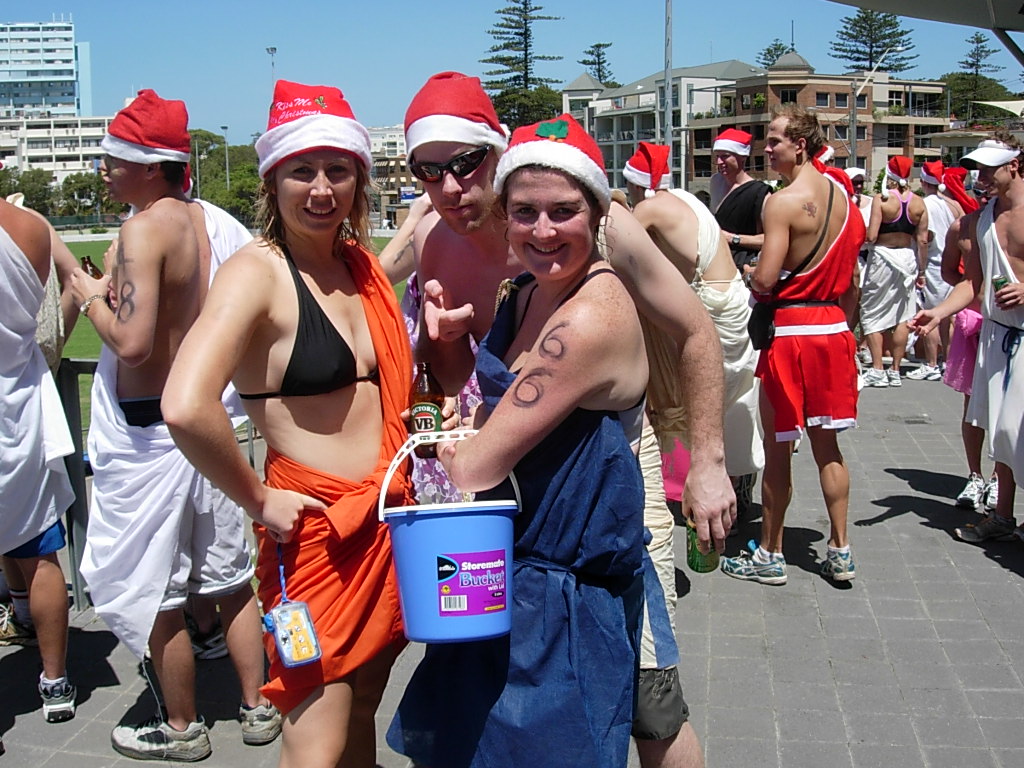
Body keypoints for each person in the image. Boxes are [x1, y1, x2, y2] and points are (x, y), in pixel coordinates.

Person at [388, 71, 735, 768]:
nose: (450, 186)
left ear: (494, 153)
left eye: (465, 163)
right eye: (428, 171)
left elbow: (696, 330)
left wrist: (707, 461)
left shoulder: (599, 234)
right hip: (514, 501)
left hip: (601, 486)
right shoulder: (444, 246)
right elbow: (469, 386)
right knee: (501, 700)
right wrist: (442, 344)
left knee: (649, 700)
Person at [163, 80, 413, 768]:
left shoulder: (358, 267)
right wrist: (257, 498)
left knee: (362, 703)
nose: (322, 188)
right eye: (302, 170)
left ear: (360, 180)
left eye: (338, 170)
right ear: (272, 182)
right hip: (313, 537)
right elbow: (185, 403)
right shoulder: (257, 273)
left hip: (384, 523)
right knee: (315, 737)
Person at [69, 89, 279, 761]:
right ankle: (256, 708)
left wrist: (90, 297)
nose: (104, 170)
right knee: (228, 581)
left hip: (149, 428)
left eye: (113, 160)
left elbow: (132, 345)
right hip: (203, 418)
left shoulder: (143, 229)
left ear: (148, 165)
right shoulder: (199, 219)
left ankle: (182, 728)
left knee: (156, 591)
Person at [720, 105, 862, 585]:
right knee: (828, 447)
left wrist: (750, 273)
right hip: (833, 327)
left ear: (800, 144)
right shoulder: (844, 196)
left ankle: (770, 553)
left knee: (779, 446)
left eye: (775, 140)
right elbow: (850, 277)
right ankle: (840, 549)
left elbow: (764, 280)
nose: (767, 148)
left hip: (792, 331)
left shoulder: (780, 203)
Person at [622, 141, 763, 516]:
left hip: (714, 303)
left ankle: (721, 488)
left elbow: (615, 245)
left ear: (637, 184)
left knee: (707, 403)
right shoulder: (685, 199)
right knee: (731, 400)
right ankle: (737, 482)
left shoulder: (649, 208)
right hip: (733, 297)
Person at [909, 134, 1024, 542]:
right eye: (979, 168)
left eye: (991, 168)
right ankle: (1003, 516)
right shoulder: (981, 219)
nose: (982, 176)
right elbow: (972, 283)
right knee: (1002, 430)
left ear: (1014, 165)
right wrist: (938, 312)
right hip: (997, 334)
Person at [0, 196, 78, 722]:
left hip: (21, 404)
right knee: (41, 551)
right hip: (20, 408)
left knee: (38, 548)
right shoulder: (30, 227)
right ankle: (56, 683)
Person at [860, 155, 929, 388]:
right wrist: (922, 271)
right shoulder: (919, 203)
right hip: (907, 259)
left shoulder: (882, 200)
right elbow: (922, 241)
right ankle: (896, 369)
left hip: (883, 258)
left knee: (872, 311)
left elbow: (871, 236)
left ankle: (878, 368)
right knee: (902, 316)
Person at [907, 160, 964, 381]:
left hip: (932, 264)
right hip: (951, 263)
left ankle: (931, 363)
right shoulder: (953, 204)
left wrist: (920, 270)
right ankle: (948, 362)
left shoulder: (924, 204)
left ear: (923, 181)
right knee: (947, 317)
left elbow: (925, 238)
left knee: (929, 314)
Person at [710, 128, 771, 272]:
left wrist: (732, 238)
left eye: (725, 156)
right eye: (717, 156)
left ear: (742, 157)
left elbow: (771, 239)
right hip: (716, 261)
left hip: (743, 266)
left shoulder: (760, 193)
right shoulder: (715, 182)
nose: (719, 162)